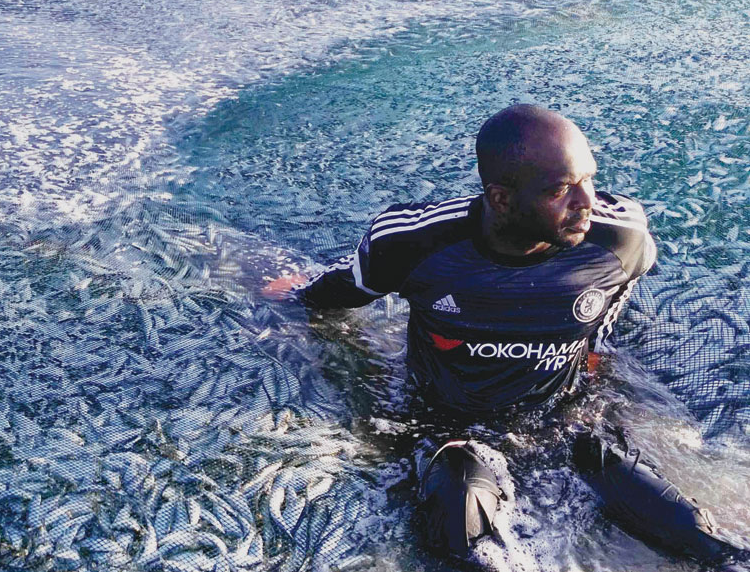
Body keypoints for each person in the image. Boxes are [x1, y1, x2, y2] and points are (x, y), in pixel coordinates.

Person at [266, 105, 749, 569]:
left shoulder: (617, 236)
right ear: (501, 199)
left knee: (679, 523)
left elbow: (616, 297)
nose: (586, 203)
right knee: (460, 520)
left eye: (590, 180)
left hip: (563, 413)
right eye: (562, 190)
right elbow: (344, 289)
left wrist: (595, 364)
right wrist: (288, 293)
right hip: (448, 421)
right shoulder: (415, 242)